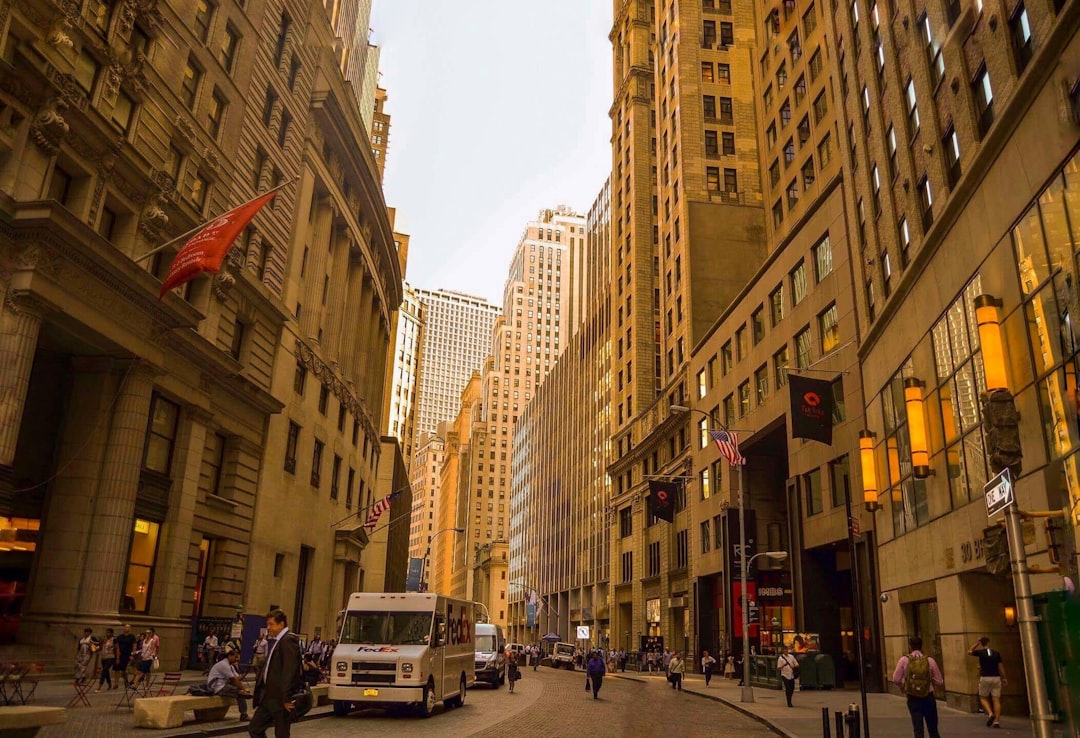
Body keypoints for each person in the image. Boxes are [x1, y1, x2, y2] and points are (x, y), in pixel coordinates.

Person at [249, 609, 302, 738]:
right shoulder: (278, 640)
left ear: (281, 624)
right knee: (255, 729)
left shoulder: (287, 640)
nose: (268, 628)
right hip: (268, 697)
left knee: (281, 734)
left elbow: (289, 670)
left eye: (271, 624)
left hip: (280, 699)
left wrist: (286, 698)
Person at [892, 636, 944, 738]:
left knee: (918, 730)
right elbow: (940, 681)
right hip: (928, 697)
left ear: (910, 647)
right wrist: (930, 679)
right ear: (921, 646)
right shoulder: (930, 660)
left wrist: (903, 687)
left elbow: (896, 679)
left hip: (913, 698)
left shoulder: (904, 660)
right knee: (933, 729)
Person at [969, 637, 1007, 728]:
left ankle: (990, 713)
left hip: (985, 677)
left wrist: (976, 643)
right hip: (996, 678)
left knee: (983, 698)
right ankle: (997, 721)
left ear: (981, 643)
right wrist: (1004, 677)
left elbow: (969, 651)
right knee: (996, 700)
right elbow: (1001, 666)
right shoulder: (996, 653)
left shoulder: (981, 653)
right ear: (989, 642)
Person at [209, 646, 251, 722]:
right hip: (217, 688)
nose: (236, 659)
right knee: (241, 694)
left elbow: (237, 678)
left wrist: (244, 674)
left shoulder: (230, 666)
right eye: (235, 657)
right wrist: (244, 689)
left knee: (240, 691)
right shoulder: (223, 665)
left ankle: (244, 714)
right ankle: (244, 715)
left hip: (224, 686)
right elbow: (234, 680)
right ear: (229, 656)